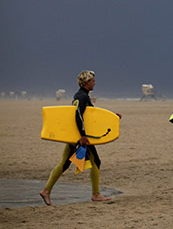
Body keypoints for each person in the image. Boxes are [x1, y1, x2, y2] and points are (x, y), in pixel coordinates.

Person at [39, 70, 120, 205]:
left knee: (64, 164)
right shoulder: (82, 97)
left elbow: (92, 118)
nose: (94, 83)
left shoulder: (81, 96)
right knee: (95, 162)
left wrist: (112, 118)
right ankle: (95, 194)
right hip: (80, 137)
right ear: (87, 83)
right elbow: (79, 116)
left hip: (74, 136)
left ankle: (46, 191)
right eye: (93, 81)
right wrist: (82, 136)